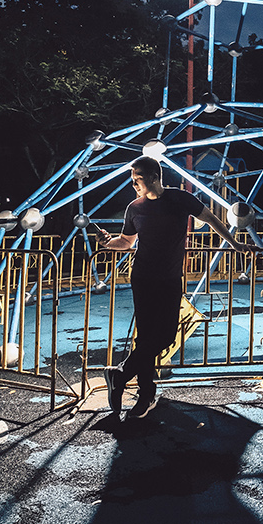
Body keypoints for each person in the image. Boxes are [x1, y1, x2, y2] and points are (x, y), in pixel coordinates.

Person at [95, 156, 248, 419]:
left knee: (164, 336)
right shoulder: (134, 208)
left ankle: (120, 374)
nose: (134, 184)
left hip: (168, 278)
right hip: (142, 277)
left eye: (138, 179)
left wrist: (234, 244)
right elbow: (128, 242)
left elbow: (211, 218)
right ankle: (145, 396)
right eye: (132, 180)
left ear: (155, 177)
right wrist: (108, 243)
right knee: (146, 337)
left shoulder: (179, 199)